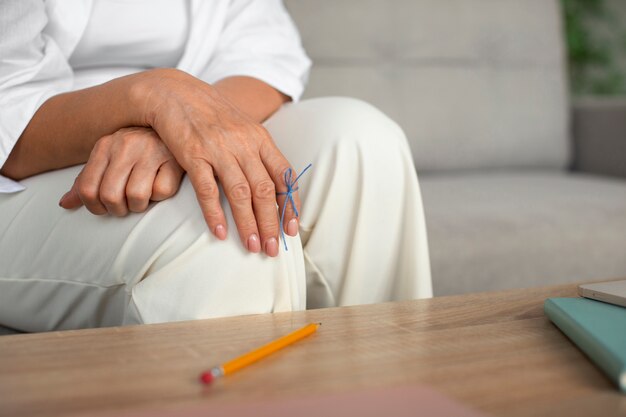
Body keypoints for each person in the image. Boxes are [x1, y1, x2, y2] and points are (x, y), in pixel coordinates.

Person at [0, 0, 432, 332]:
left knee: (359, 139)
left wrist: (186, 124)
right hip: (31, 169)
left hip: (184, 112)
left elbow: (264, 53)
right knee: (220, 218)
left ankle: (381, 394)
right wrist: (153, 98)